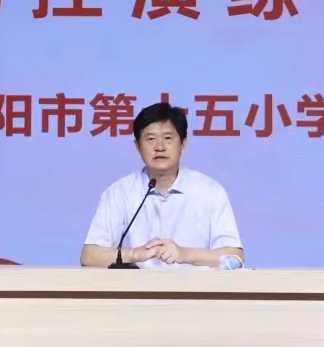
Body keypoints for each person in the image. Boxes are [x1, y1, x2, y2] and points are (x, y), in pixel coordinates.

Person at [80, 102, 243, 269]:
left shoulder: (210, 191)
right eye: (150, 139)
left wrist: (184, 255)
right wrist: (134, 255)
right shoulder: (119, 192)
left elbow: (235, 259)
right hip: (135, 285)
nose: (159, 147)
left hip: (194, 285)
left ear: (183, 144)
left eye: (168, 138)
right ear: (138, 147)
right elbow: (89, 256)